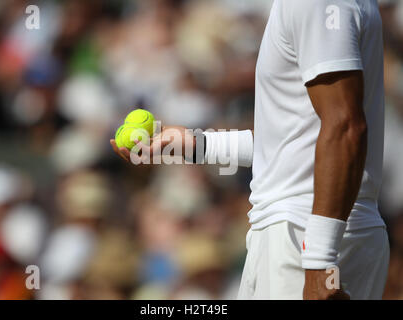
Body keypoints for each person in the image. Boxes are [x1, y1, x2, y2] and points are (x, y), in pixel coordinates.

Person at [111, 0, 389, 300]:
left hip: (304, 237)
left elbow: (346, 126)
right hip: (308, 233)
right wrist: (195, 145)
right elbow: (295, 143)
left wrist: (320, 260)